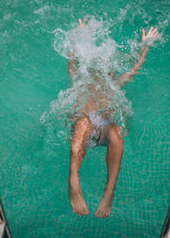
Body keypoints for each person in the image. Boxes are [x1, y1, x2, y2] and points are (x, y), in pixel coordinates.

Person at [67, 18, 159, 218]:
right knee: (83, 122)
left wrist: (145, 47)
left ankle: (109, 190)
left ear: (110, 72)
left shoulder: (115, 84)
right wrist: (77, 37)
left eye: (106, 69)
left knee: (116, 131)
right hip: (79, 132)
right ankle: (73, 180)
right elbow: (71, 62)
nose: (102, 71)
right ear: (89, 69)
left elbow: (135, 68)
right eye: (96, 67)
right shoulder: (80, 80)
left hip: (103, 134)